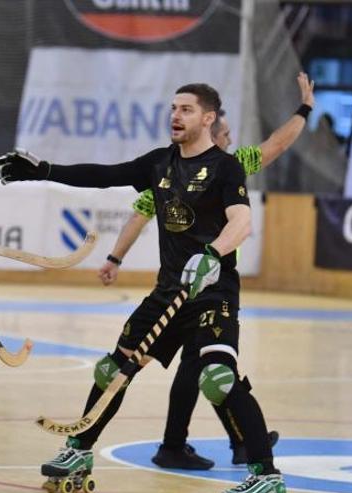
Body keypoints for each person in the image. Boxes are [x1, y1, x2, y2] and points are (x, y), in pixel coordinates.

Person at [0, 83, 285, 493]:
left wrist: (213, 254)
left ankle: (266, 476)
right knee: (112, 370)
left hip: (212, 291)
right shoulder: (158, 164)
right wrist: (45, 171)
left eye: (186, 109)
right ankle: (79, 447)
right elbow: (104, 175)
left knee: (217, 378)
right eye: (173, 108)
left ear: (208, 119)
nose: (175, 116)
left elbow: (242, 222)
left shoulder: (225, 167)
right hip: (168, 293)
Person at [98, 73, 314, 470]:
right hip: (178, 287)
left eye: (227, 135)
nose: (226, 142)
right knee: (201, 368)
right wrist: (114, 258)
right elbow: (139, 213)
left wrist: (305, 108)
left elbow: (278, 143)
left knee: (207, 367)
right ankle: (215, 443)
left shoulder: (232, 163)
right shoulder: (168, 171)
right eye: (223, 135)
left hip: (212, 284)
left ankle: (229, 444)